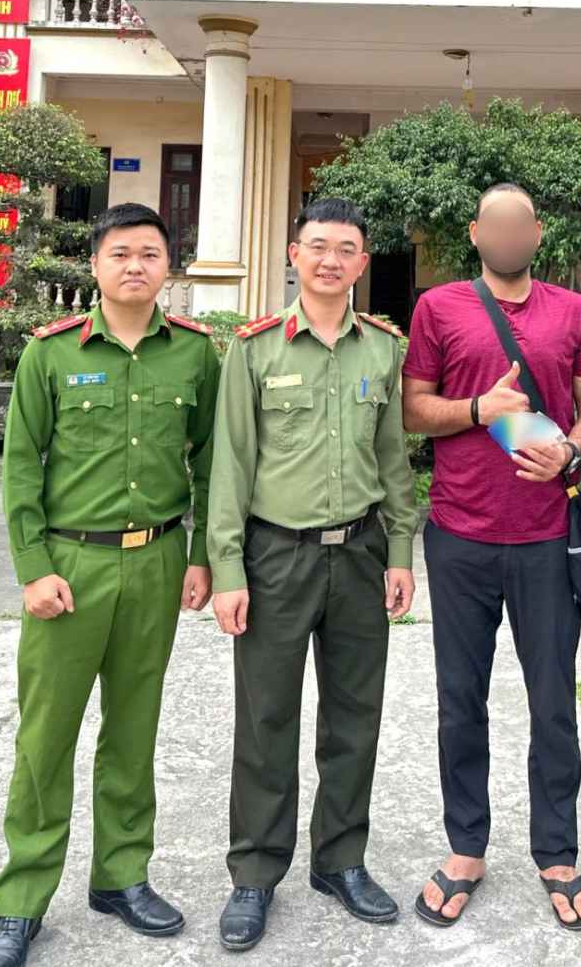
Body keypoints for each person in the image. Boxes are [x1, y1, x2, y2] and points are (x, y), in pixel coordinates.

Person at [0, 203, 220, 967]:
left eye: (151, 254)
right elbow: (21, 466)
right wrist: (33, 568)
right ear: (96, 266)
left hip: (157, 561)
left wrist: (202, 554)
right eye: (121, 253)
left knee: (133, 728)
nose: (136, 266)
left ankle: (120, 876)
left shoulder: (194, 355)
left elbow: (213, 460)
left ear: (168, 269)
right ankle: (21, 900)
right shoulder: (48, 355)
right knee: (46, 735)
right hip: (70, 568)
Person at [206, 196, 417, 953]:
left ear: (363, 263)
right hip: (274, 556)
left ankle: (341, 860)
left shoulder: (382, 350)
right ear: (294, 255)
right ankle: (256, 873)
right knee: (266, 720)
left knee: (354, 715)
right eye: (317, 246)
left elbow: (393, 461)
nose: (331, 260)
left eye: (347, 248)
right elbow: (229, 467)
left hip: (360, 553)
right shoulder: (255, 349)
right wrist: (227, 567)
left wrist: (400, 553)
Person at [402, 182, 581, 932]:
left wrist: (570, 450)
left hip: (547, 538)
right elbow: (413, 407)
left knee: (553, 702)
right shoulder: (440, 308)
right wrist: (476, 411)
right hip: (459, 534)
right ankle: (466, 849)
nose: (509, 234)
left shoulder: (574, 312)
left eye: (520, 223)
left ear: (538, 233)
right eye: (496, 223)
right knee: (461, 700)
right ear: (475, 232)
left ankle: (556, 851)